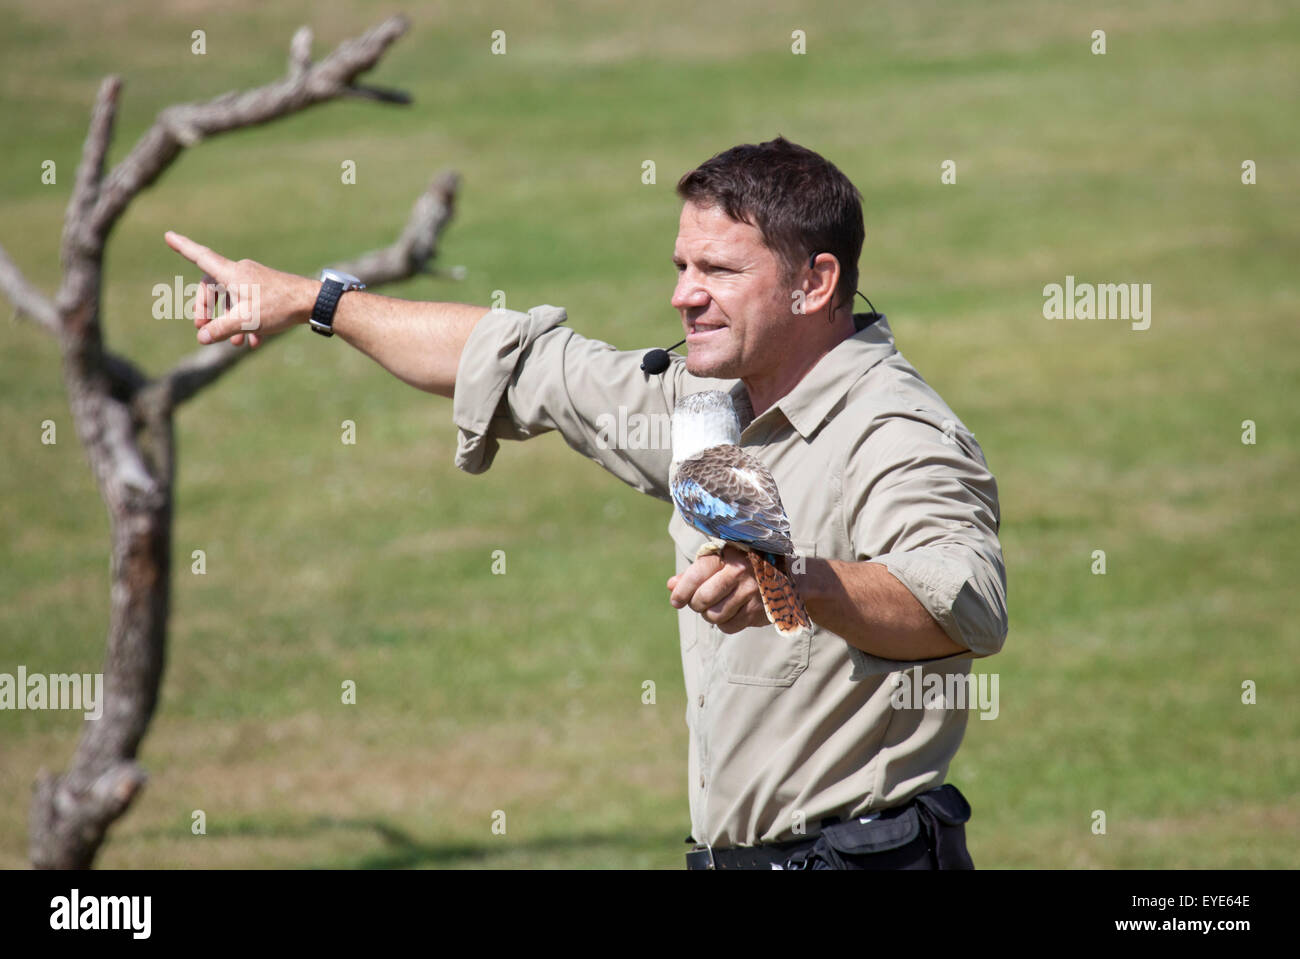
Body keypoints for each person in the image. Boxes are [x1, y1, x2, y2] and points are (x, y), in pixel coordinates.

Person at [164, 136, 1007, 870]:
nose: (684, 294)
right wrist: (314, 300)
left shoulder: (896, 429)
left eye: (718, 270)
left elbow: (962, 603)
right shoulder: (707, 411)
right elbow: (516, 360)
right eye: (681, 266)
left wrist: (796, 584)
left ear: (815, 282)